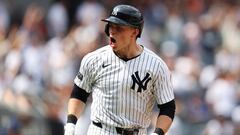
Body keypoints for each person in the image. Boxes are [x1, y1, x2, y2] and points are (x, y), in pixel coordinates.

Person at [64, 4, 175, 135]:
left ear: (135, 32)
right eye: (110, 26)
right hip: (101, 130)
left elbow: (167, 108)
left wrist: (158, 133)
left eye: (119, 27)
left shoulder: (156, 65)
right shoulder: (94, 59)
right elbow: (79, 94)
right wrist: (71, 124)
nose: (112, 31)